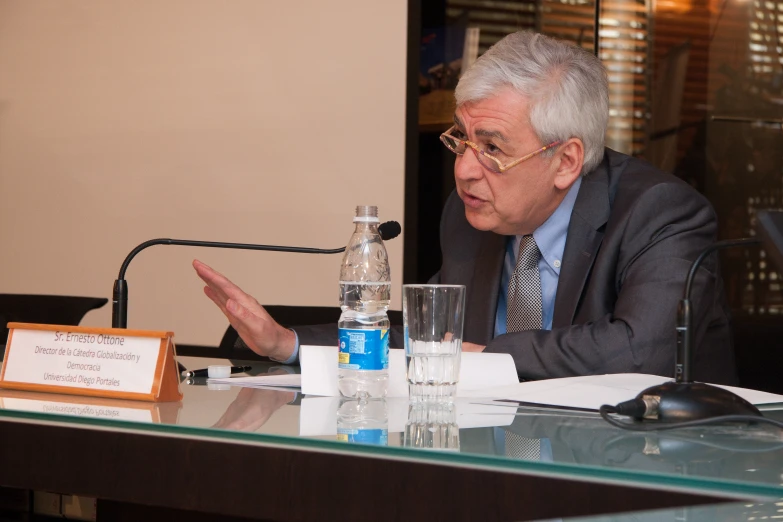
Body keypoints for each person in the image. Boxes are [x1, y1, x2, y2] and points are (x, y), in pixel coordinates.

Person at [194, 31, 736, 384]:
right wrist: (289, 344)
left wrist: (485, 360)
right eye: (463, 139)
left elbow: (644, 352)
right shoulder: (469, 215)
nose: (465, 170)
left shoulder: (659, 213)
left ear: (567, 160)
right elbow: (433, 336)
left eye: (493, 147)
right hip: (495, 461)